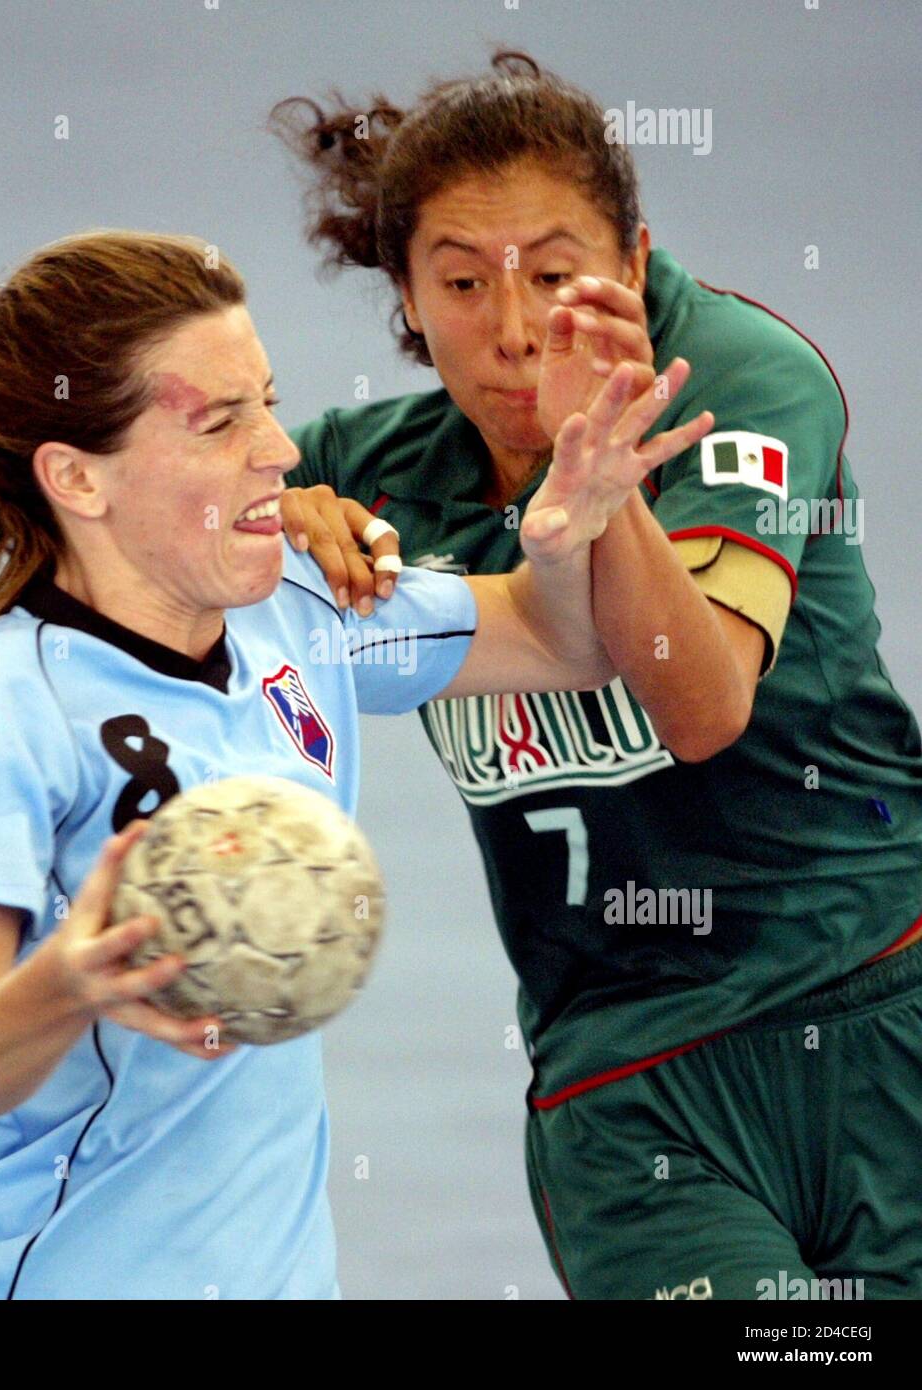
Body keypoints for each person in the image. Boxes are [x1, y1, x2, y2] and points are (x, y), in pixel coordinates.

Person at [0, 229, 701, 1300]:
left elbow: (562, 641)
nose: (281, 450)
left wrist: (568, 538)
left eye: (268, 403)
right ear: (77, 478)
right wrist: (67, 983)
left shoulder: (297, 604)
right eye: (220, 421)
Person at [271, 52, 922, 1299]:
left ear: (634, 260)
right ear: (406, 295)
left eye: (557, 276)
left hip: (879, 999)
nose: (516, 329)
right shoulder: (368, 470)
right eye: (463, 282)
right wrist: (272, 519)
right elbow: (114, 520)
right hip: (632, 1084)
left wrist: (599, 494)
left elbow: (704, 706)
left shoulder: (739, 381)